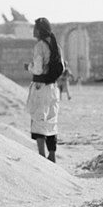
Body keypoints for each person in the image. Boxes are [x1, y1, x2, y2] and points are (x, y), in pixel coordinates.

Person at [26, 17, 64, 162]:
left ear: (40, 30)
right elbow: (62, 67)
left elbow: (38, 69)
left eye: (34, 28)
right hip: (53, 88)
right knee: (51, 121)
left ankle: (42, 156)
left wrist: (29, 67)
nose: (33, 31)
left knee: (38, 119)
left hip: (40, 87)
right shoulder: (57, 46)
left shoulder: (40, 46)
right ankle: (52, 153)